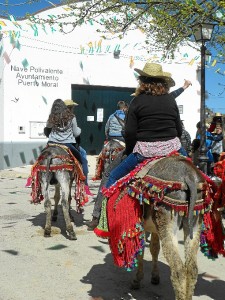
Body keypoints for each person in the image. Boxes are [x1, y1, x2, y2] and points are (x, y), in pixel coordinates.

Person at [86, 62, 192, 230]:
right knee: (196, 174)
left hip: (144, 152)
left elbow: (129, 133)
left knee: (110, 175)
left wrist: (130, 151)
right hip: (173, 148)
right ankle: (199, 212)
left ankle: (100, 218)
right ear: (163, 83)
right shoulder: (171, 101)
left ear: (142, 81)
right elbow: (179, 130)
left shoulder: (136, 101)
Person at [63, 99, 93, 196]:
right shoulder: (72, 117)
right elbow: (76, 133)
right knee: (83, 158)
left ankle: (32, 177)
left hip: (53, 142)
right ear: (71, 107)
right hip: (67, 143)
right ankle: (85, 184)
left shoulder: (55, 116)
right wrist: (79, 129)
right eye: (73, 107)